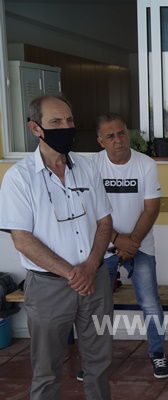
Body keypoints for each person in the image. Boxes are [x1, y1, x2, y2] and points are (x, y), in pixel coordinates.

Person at [0, 94, 113, 399]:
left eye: (69, 120)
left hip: (95, 282)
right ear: (35, 128)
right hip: (49, 289)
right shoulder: (19, 178)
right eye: (56, 121)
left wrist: (90, 267)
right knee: (46, 369)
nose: (66, 127)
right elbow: (22, 239)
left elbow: (105, 223)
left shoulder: (88, 168)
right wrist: (73, 274)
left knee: (100, 362)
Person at [91, 113, 168, 379]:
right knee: (98, 307)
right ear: (101, 141)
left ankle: (158, 354)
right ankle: (96, 360)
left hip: (141, 248)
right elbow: (90, 209)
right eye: (110, 136)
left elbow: (152, 209)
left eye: (121, 133)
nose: (118, 140)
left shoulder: (145, 164)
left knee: (150, 304)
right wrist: (116, 239)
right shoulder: (92, 166)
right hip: (103, 248)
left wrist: (131, 243)